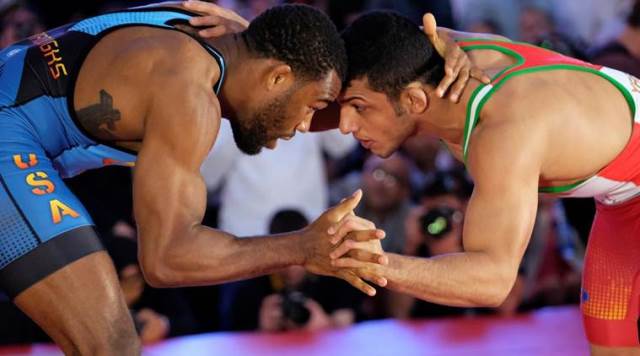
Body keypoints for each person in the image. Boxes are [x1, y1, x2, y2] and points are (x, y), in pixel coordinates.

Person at [0, 2, 391, 354]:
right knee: (110, 345)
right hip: (8, 138)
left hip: (16, 111)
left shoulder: (208, 27)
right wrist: (303, 248)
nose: (306, 127)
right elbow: (165, 259)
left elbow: (314, 77)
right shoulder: (188, 96)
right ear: (277, 76)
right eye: (312, 107)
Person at [326, 11, 640, 354]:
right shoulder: (440, 53)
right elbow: (402, 34)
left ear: (415, 101)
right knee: (610, 343)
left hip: (624, 189)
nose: (344, 125)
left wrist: (373, 262)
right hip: (622, 200)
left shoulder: (503, 132)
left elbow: (493, 280)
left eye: (358, 107)